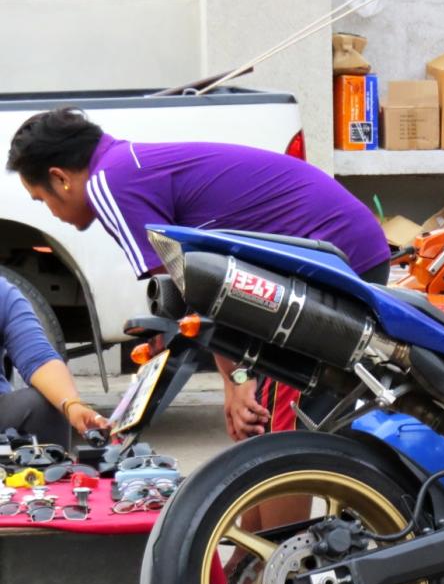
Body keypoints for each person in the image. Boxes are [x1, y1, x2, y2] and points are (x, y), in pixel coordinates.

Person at [6, 108, 390, 530]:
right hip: (317, 258)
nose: (50, 211)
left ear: (60, 178)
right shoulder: (123, 166)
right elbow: (202, 292)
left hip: (333, 258)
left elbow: (199, 295)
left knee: (284, 431)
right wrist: (235, 379)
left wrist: (237, 381)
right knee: (258, 429)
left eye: (41, 199)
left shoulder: (108, 183)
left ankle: (281, 562)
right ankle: (251, 559)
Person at [0, 276, 108, 447]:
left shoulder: (3, 293)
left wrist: (71, 404)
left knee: (48, 403)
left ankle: (52, 464)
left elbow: (38, 357)